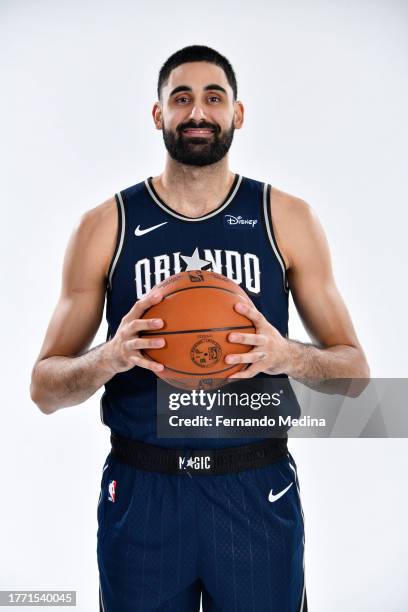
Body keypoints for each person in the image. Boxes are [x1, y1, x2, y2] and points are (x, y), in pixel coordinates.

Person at [30, 45, 369, 612]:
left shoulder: (284, 217)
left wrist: (287, 354)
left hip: (254, 486)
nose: (197, 112)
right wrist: (110, 357)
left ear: (238, 114)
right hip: (143, 489)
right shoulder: (106, 225)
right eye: (180, 98)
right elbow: (43, 388)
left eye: (214, 98)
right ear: (158, 114)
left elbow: (355, 375)